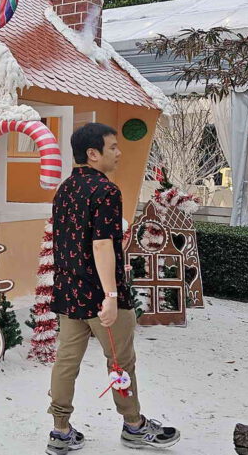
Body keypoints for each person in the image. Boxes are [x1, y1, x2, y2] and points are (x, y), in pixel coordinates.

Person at [46, 122, 180, 454]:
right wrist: (110, 295)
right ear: (93, 154)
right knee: (120, 362)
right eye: (113, 147)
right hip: (100, 294)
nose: (119, 153)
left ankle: (60, 430)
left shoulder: (65, 188)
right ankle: (134, 426)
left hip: (68, 291)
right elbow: (102, 244)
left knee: (66, 361)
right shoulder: (106, 190)